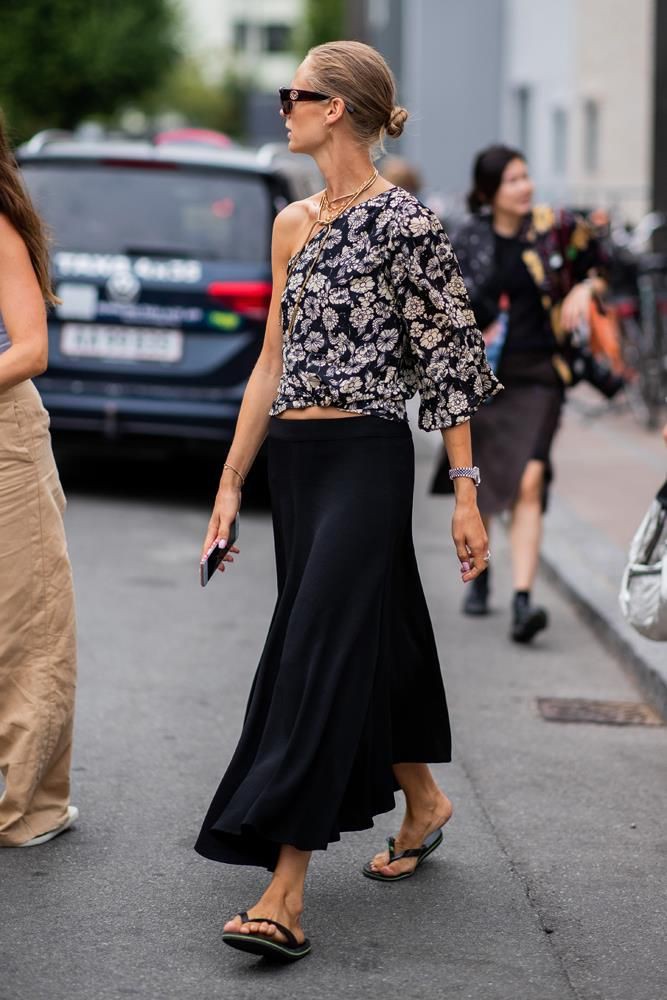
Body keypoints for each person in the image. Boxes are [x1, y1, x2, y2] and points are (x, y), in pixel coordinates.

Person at [194, 41, 500, 962]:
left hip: (368, 457)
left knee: (315, 649)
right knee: (371, 634)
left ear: (337, 109)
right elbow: (270, 363)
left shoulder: (406, 225)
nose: (281, 104)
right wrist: (229, 482)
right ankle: (424, 799)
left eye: (296, 93)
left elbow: (451, 361)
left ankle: (285, 891)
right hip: (296, 457)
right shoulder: (290, 223)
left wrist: (464, 495)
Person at [431, 145, 608, 642]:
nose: (525, 187)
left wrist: (584, 288)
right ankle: (481, 574)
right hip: (487, 378)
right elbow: (450, 307)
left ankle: (524, 601)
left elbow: (603, 262)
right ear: (489, 191)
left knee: (530, 479)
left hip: (540, 375)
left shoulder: (556, 228)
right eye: (512, 180)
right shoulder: (469, 238)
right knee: (487, 480)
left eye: (526, 177)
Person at [0, 114, 78, 847]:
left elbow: (31, 349)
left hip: (5, 438)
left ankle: (30, 807)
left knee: (27, 624)